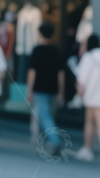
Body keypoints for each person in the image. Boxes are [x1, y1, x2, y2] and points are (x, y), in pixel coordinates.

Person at [26, 22, 65, 154]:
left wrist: (29, 89)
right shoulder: (56, 51)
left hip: (40, 89)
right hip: (53, 89)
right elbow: (61, 73)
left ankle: (55, 140)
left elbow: (32, 72)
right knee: (49, 115)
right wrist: (61, 91)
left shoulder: (37, 50)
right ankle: (50, 139)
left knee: (44, 116)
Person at [75, 33, 100, 161]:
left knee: (90, 122)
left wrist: (79, 94)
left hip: (92, 96)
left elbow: (82, 79)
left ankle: (87, 148)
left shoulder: (88, 57)